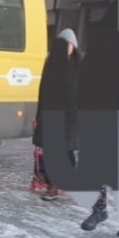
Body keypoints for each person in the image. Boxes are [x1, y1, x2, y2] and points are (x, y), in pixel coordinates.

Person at [31, 28, 82, 201]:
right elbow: (43, 90)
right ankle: (53, 186)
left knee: (67, 152)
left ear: (73, 46)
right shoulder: (50, 63)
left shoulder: (80, 65)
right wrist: (39, 116)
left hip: (71, 116)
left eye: (67, 45)